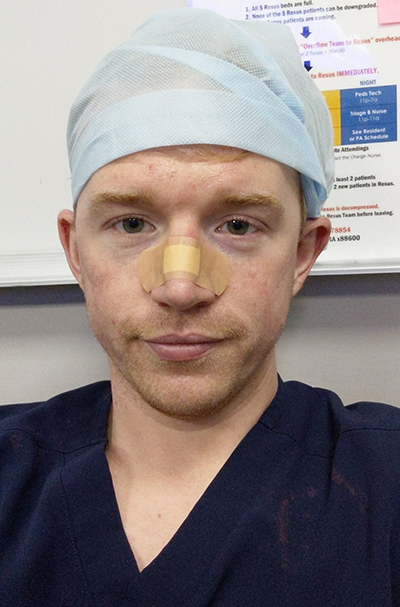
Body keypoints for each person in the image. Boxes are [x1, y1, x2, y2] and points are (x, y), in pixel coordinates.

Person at [1, 8, 399, 606]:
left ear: (301, 253)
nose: (181, 288)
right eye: (132, 222)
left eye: (237, 224)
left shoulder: (386, 485)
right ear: (75, 251)